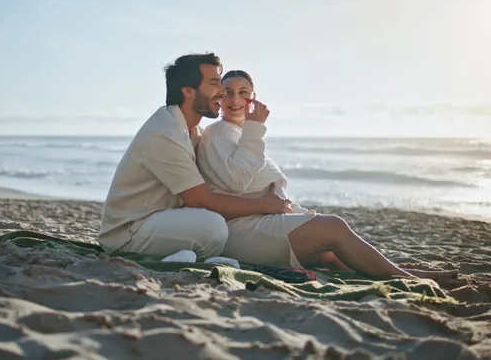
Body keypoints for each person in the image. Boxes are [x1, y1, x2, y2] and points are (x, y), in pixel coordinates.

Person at [195, 70, 458, 282]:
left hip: (263, 221)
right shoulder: (219, 132)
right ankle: (407, 277)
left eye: (243, 93)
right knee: (333, 226)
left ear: (254, 98)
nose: (234, 99)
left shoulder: (241, 133)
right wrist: (255, 128)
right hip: (242, 229)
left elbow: (255, 175)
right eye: (228, 92)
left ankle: (401, 273)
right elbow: (238, 181)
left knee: (331, 257)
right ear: (219, 97)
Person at [97, 53, 292, 259]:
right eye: (214, 83)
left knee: (216, 224)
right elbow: (201, 201)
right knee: (213, 227)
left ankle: (188, 255)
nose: (222, 92)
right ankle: (180, 259)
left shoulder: (192, 131)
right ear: (188, 91)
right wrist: (265, 205)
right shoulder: (166, 132)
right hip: (129, 232)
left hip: (164, 219)